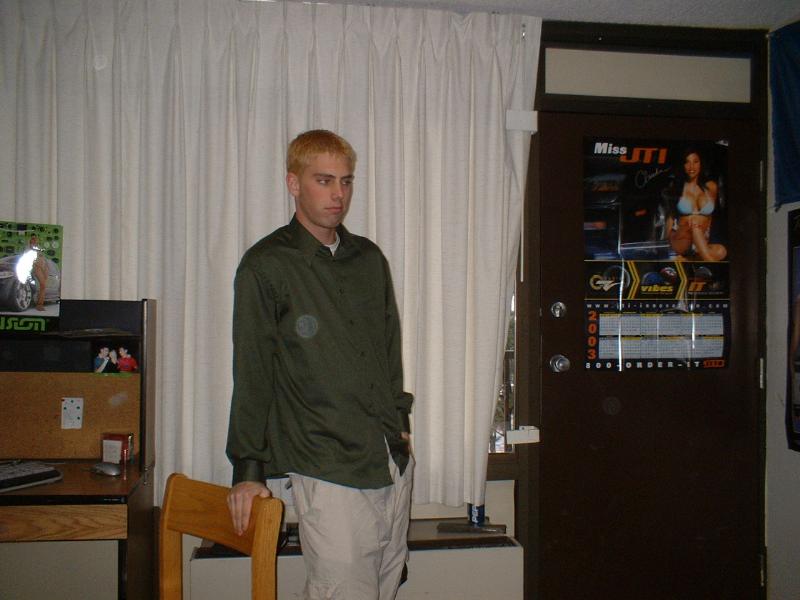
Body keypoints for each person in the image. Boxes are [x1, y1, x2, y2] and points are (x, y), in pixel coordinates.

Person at [226, 129, 414, 600]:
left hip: (390, 458)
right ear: (294, 183)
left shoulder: (369, 258)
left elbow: (388, 350)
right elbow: (252, 372)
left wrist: (401, 422)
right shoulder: (266, 265)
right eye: (324, 180)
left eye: (346, 181)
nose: (338, 195)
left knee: (386, 589)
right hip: (327, 466)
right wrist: (247, 471)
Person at [666, 148, 727, 262]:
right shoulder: (676, 188)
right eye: (687, 162)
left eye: (695, 162)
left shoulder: (711, 187)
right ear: (683, 165)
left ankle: (688, 259)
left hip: (701, 239)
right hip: (682, 239)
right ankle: (710, 263)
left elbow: (710, 217)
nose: (691, 167)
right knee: (694, 224)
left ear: (701, 164)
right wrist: (669, 240)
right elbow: (670, 217)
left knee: (721, 251)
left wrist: (705, 237)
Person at [29, 234, 48, 310]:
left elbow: (42, 258)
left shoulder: (38, 248)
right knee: (42, 285)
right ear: (30, 241)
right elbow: (33, 260)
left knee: (43, 286)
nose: (35, 240)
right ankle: (39, 305)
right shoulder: (29, 250)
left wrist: (45, 268)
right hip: (36, 268)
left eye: (36, 239)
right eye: (33, 239)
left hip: (42, 268)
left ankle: (40, 304)